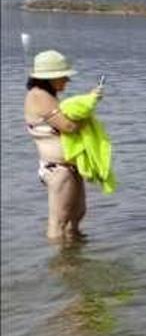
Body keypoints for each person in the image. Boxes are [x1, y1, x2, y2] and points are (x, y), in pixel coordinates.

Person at [24, 50, 103, 241]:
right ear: (49, 78)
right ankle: (59, 265)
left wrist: (89, 100)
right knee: (59, 221)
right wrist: (90, 105)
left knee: (76, 216)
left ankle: (73, 262)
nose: (67, 80)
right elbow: (68, 126)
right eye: (63, 76)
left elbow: (68, 117)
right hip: (57, 169)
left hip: (69, 167)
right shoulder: (39, 96)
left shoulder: (48, 96)